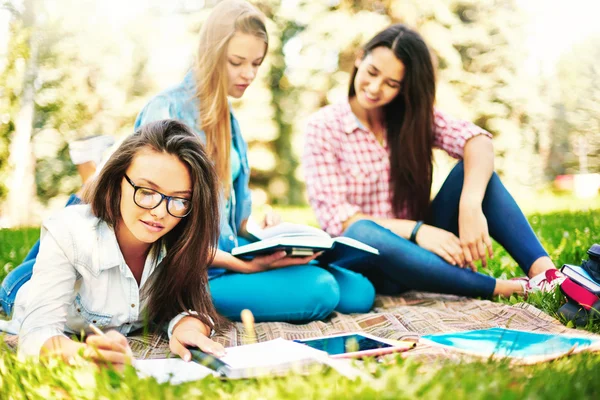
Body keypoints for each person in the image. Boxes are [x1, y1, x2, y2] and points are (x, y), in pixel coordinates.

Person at [132, 0, 375, 321]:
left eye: (256, 63)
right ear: (211, 54)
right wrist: (244, 266)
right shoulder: (165, 113)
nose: (249, 74)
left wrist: (269, 235)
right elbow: (154, 231)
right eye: (237, 62)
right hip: (189, 276)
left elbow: (236, 219)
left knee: (359, 291)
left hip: (229, 258)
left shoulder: (228, 120)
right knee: (322, 290)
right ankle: (185, 309)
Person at [302, 24, 564, 300]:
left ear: (405, 88)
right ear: (359, 58)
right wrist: (418, 231)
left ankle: (548, 276)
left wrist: (470, 206)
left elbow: (478, 141)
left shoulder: (411, 118)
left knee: (471, 173)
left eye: (392, 84)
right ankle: (502, 288)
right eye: (372, 72)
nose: (375, 88)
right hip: (364, 262)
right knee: (362, 231)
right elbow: (339, 222)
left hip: (423, 254)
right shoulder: (323, 127)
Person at [0, 119, 227, 364]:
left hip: (86, 245)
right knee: (68, 226)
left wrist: (189, 329)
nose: (160, 212)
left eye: (180, 199)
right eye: (147, 192)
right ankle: (88, 175)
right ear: (118, 181)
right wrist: (86, 354)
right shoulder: (71, 233)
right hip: (23, 284)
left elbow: (189, 306)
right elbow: (35, 333)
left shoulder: (180, 239)